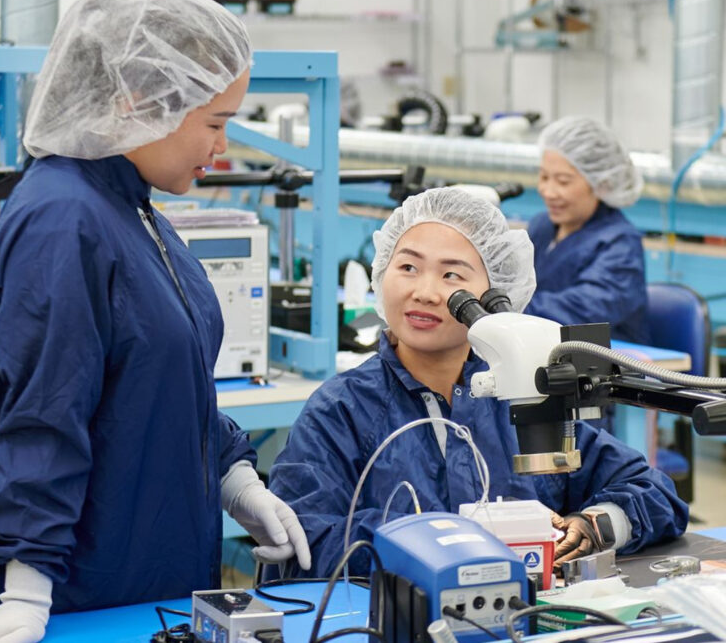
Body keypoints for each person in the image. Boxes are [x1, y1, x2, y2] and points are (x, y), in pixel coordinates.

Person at [0, 0, 309, 643]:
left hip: (147, 583)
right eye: (215, 122)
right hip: (78, 595)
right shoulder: (64, 220)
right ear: (141, 103)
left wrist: (235, 477)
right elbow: (44, 416)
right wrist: (27, 592)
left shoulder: (132, 211)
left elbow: (158, 385)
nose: (222, 148)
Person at [268, 187, 688, 578]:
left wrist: (595, 526)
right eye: (408, 267)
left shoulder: (519, 395)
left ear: (495, 295)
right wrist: (457, 539)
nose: (426, 292)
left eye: (453, 276)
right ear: (382, 275)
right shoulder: (341, 411)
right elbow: (308, 539)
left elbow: (653, 491)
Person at [524, 116, 649, 344]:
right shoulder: (541, 228)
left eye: (563, 181)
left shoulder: (619, 243)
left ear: (601, 183)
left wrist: (506, 308)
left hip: (604, 368)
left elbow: (584, 311)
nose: (548, 191)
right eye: (543, 177)